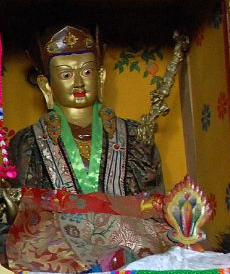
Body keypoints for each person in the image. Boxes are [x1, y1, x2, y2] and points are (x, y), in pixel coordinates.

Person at [8, 24, 162, 196]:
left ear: (100, 76)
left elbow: (154, 203)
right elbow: (23, 209)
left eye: (87, 71)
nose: (79, 83)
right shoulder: (27, 142)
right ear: (46, 85)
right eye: (66, 75)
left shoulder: (134, 136)